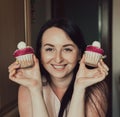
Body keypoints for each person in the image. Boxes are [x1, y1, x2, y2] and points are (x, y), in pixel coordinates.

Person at [8, 18, 109, 117]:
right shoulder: (27, 88)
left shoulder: (96, 89)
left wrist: (80, 87)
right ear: (40, 53)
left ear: (79, 54)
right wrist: (35, 89)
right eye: (50, 49)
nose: (58, 59)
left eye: (67, 49)